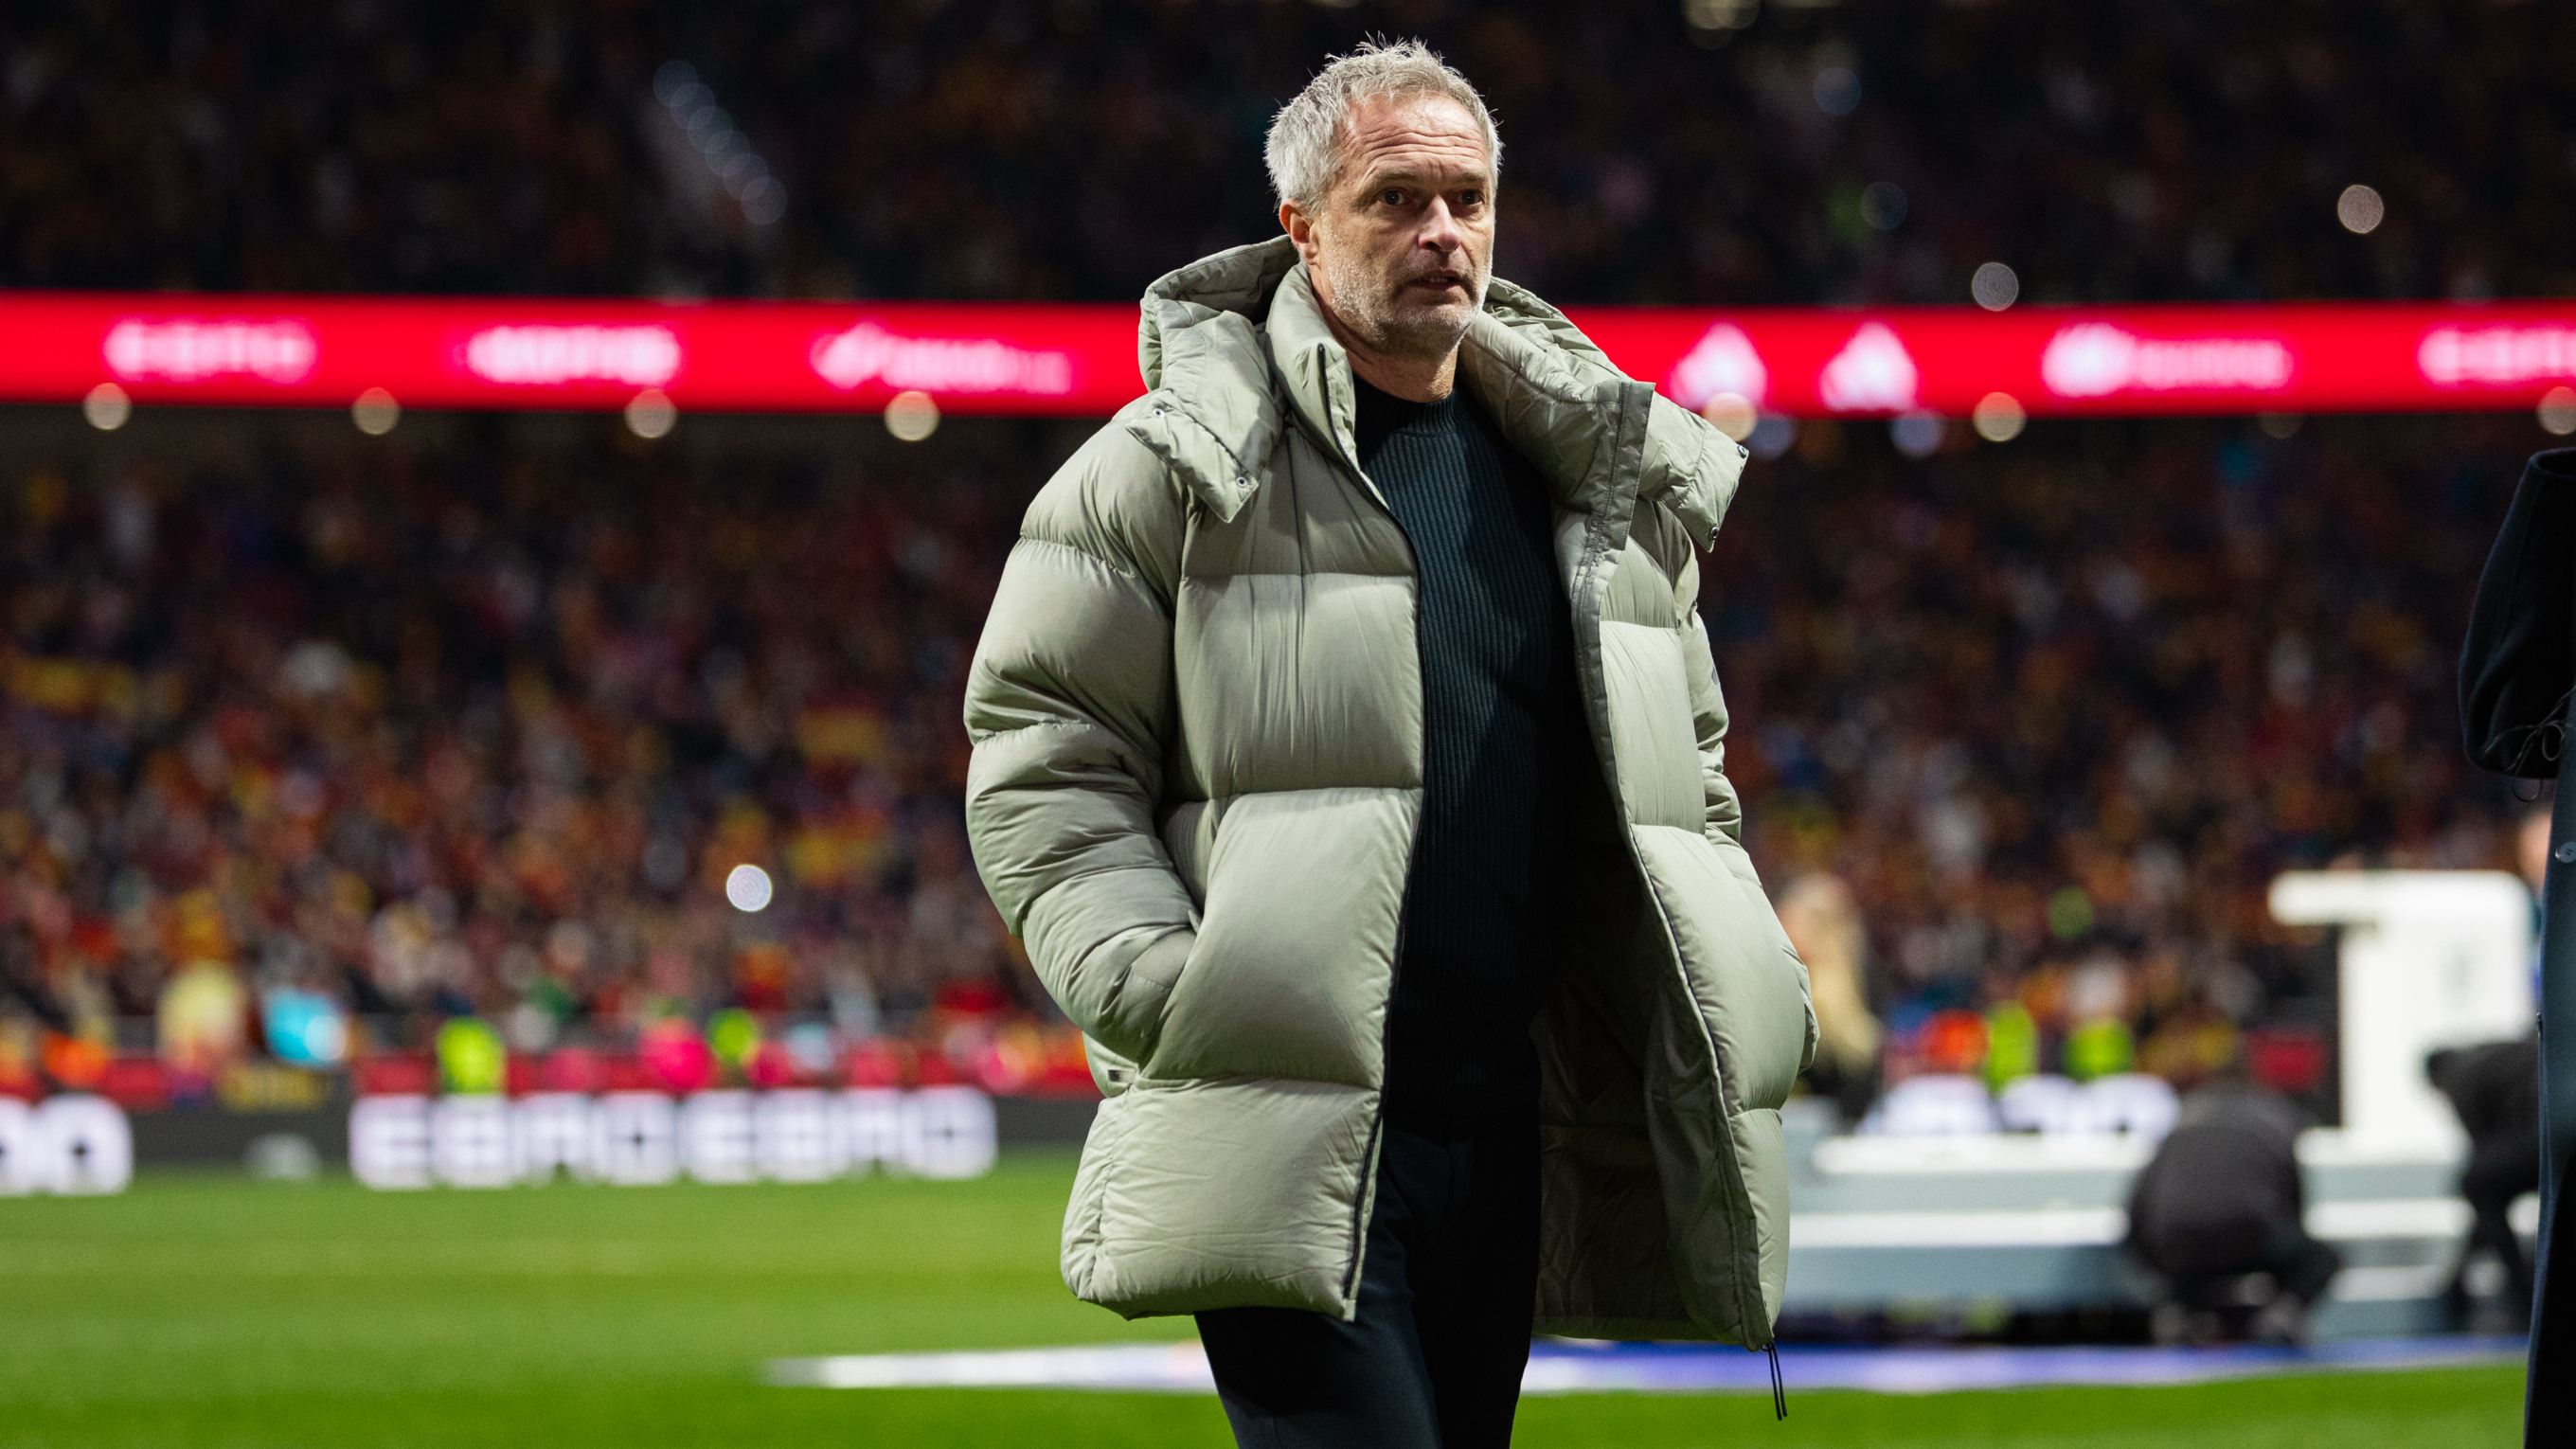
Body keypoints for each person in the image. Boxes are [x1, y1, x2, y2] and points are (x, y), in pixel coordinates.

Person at [962, 40, 1816, 1448]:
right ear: (1301, 229)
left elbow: (1695, 782)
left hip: (1507, 1124)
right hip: (1286, 1119)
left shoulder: (1593, 480)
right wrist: (1173, 994)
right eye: (1396, 200)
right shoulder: (1166, 468)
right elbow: (1041, 760)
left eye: (1467, 201)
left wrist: (1751, 974)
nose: (1442, 233)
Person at [2124, 1066, 2341, 1345]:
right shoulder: (2272, 1118)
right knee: (2320, 1258)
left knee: (2183, 1257)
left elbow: (2138, 1205)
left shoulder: (2181, 1120)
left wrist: (2151, 1256)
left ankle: (2176, 1309)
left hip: (2175, 1242)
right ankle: (2281, 1314)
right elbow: (2293, 1200)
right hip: (2246, 1234)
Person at [2427, 1038, 2542, 1329]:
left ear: (2435, 1081)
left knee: (2476, 1184)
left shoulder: (2458, 1077)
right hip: (2551, 1130)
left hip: (2537, 1137)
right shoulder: (2485, 1057)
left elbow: (2482, 1173)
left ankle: (2524, 1294)